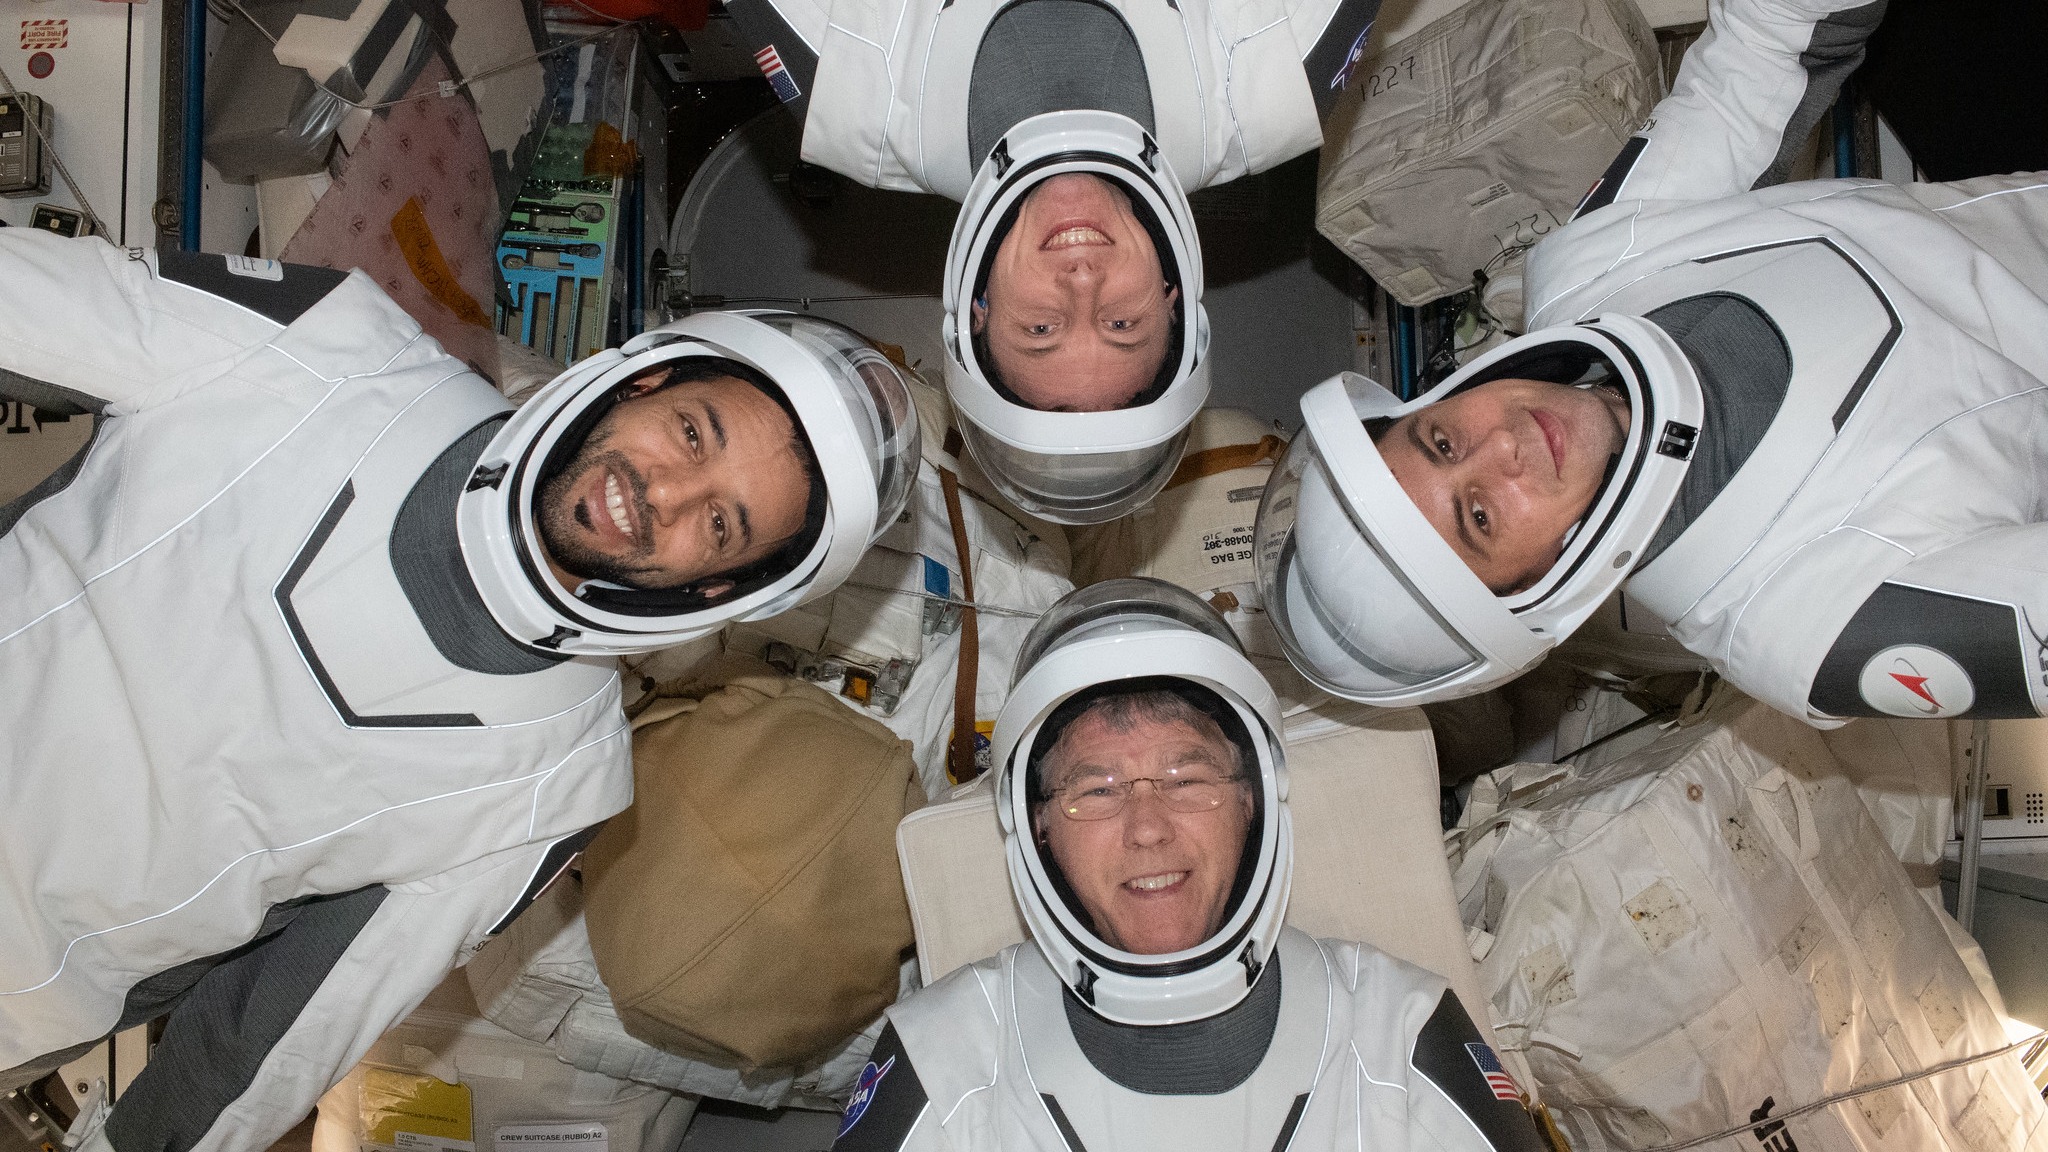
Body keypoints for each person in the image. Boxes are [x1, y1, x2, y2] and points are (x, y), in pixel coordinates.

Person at [0, 233, 918, 1152]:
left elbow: (274, 1039)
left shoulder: (555, 781)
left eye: (720, 524)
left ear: (722, 589)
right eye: (692, 433)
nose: (664, 495)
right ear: (648, 379)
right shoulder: (333, 346)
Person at [1254, 0, 2048, 725]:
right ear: (1532, 591)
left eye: (1441, 442)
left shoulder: (1595, 264)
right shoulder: (1801, 620)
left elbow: (1768, 49)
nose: (1503, 449)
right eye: (1480, 517)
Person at [828, 579, 1548, 1151]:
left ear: (1253, 802)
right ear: (1035, 824)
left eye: (1188, 777)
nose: (1147, 828)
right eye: (1097, 789)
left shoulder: (1401, 1030)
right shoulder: (941, 1057)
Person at [723, 0, 1383, 523]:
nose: (1083, 286)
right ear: (1169, 295)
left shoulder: (843, 85)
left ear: (978, 312)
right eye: (1122, 323)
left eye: (1041, 330)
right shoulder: (1282, 71)